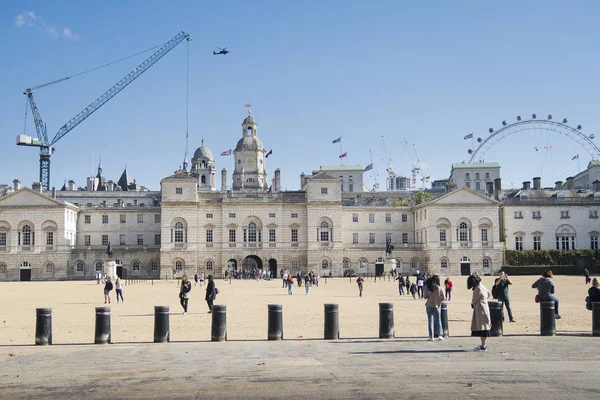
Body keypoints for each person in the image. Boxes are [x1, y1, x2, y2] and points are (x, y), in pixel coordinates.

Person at [468, 273, 492, 351]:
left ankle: (483, 346)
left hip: (480, 308)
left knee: (482, 327)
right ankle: (483, 345)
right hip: (483, 307)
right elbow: (489, 293)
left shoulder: (478, 288)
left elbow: (474, 300)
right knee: (483, 326)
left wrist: (473, 303)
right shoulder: (482, 286)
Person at [424, 275, 445, 341]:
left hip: (429, 305)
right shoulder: (440, 288)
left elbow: (425, 296)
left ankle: (431, 336)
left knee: (430, 321)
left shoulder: (428, 287)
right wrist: (438, 300)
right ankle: (440, 335)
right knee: (438, 320)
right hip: (437, 306)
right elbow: (444, 298)